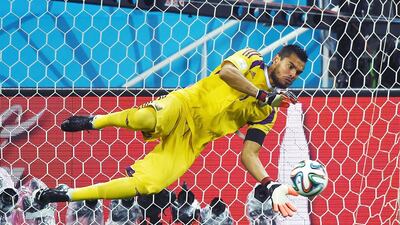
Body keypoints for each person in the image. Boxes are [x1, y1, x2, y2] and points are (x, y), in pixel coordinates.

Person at [35, 45, 307, 218]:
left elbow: (250, 154)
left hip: (193, 140)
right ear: (277, 59)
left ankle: (65, 194)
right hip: (185, 104)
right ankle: (96, 121)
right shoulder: (254, 59)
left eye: (298, 71)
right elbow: (226, 73)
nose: (293, 73)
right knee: (146, 117)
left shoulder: (270, 111)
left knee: (147, 185)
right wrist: (261, 94)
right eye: (290, 65)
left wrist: (269, 183)